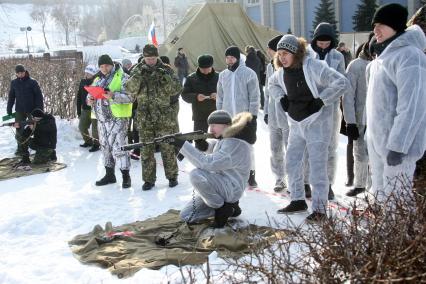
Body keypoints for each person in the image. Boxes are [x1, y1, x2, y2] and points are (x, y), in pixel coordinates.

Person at [270, 35, 349, 222]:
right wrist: (280, 97)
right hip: (296, 123)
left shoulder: (314, 66)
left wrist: (322, 100)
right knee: (292, 162)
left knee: (317, 166)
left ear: (296, 53)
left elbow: (342, 82)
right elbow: (272, 84)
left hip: (317, 123)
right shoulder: (281, 73)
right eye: (279, 54)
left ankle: (320, 209)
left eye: (286, 53)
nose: (282, 57)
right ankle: (298, 199)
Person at [366, 4, 426, 206]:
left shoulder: (409, 56)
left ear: (396, 26)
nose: (376, 30)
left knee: (397, 205)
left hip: (398, 150)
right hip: (379, 146)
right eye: (375, 25)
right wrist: (371, 139)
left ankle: (401, 239)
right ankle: (383, 238)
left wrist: (398, 146)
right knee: (381, 201)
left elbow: (412, 105)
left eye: (382, 24)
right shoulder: (380, 59)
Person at [174, 110, 254, 228]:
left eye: (213, 126)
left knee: (196, 174)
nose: (210, 129)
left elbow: (209, 163)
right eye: (209, 126)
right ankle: (231, 208)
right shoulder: (228, 140)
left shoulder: (235, 144)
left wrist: (183, 145)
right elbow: (218, 146)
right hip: (222, 186)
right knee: (186, 215)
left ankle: (222, 208)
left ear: (226, 126)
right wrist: (204, 145)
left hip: (231, 188)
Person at [126, 44, 182, 191]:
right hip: (145, 117)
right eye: (148, 58)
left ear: (157, 56)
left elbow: (176, 89)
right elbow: (130, 90)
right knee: (146, 149)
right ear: (144, 57)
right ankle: (148, 180)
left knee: (167, 148)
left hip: (164, 116)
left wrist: (165, 78)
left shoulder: (167, 69)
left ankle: (172, 176)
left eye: (153, 58)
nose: (150, 61)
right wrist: (138, 76)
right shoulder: (136, 70)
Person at [309, 22, 346, 200]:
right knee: (310, 147)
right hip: (310, 108)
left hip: (330, 109)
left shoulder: (338, 56)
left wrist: (325, 99)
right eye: (320, 43)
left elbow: (342, 82)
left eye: (327, 43)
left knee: (330, 148)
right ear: (315, 41)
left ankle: (328, 184)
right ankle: (308, 182)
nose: (323, 46)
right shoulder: (308, 55)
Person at [217, 45, 260, 187]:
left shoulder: (249, 74)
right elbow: (220, 97)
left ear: (238, 58)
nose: (229, 60)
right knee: (228, 146)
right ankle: (231, 174)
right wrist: (219, 115)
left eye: (232, 57)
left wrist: (252, 116)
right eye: (227, 58)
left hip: (244, 118)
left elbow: (254, 96)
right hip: (228, 118)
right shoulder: (223, 75)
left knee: (247, 147)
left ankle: (250, 174)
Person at [87, 54, 132, 189]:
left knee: (120, 147)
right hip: (102, 120)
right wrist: (90, 100)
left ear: (112, 64)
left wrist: (113, 96)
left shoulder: (123, 77)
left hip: (118, 118)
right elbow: (90, 95)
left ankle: (125, 176)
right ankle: (109, 175)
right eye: (101, 66)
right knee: (105, 148)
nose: (104, 68)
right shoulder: (97, 79)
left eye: (106, 65)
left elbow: (131, 97)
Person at [342, 39, 373, 197]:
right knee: (360, 152)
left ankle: (374, 189)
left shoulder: (383, 62)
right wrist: (351, 122)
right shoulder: (356, 65)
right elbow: (348, 96)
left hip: (379, 120)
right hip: (360, 119)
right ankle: (360, 184)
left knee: (378, 155)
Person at [264, 34, 289, 193]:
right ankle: (279, 178)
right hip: (273, 116)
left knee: (291, 149)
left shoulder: (289, 67)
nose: (268, 52)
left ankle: (296, 179)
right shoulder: (269, 67)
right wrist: (266, 111)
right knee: (275, 149)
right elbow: (267, 91)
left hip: (287, 116)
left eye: (271, 49)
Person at [182, 54, 218, 151]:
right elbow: (184, 95)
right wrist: (196, 97)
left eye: (208, 68)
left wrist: (218, 95)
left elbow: (229, 93)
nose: (205, 71)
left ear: (212, 66)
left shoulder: (219, 77)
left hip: (218, 114)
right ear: (198, 66)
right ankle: (200, 161)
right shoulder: (191, 78)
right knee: (199, 140)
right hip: (200, 115)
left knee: (220, 139)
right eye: (202, 69)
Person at [7, 64, 44, 157]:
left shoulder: (32, 82)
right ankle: (21, 149)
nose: (20, 74)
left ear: (25, 72)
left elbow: (39, 97)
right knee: (18, 129)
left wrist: (39, 110)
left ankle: (40, 147)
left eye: (22, 72)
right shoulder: (14, 83)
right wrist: (9, 108)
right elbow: (11, 96)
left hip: (32, 110)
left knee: (36, 128)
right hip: (19, 110)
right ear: (16, 74)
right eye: (18, 73)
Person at [76, 64, 100, 152]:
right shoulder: (82, 81)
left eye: (88, 73)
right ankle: (88, 141)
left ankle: (96, 144)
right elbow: (79, 96)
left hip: (95, 109)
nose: (86, 75)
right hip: (85, 109)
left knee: (95, 129)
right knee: (82, 127)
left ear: (93, 74)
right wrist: (78, 111)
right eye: (85, 73)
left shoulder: (97, 81)